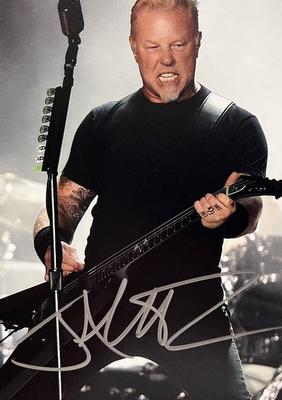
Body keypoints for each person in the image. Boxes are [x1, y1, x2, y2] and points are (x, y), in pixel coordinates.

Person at [27, 1, 268, 399]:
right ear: (134, 47)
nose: (166, 59)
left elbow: (252, 206)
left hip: (190, 313)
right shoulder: (102, 123)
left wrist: (230, 215)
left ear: (197, 42)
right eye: (153, 46)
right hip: (99, 306)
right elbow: (59, 209)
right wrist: (50, 245)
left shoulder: (235, 125)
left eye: (178, 44)